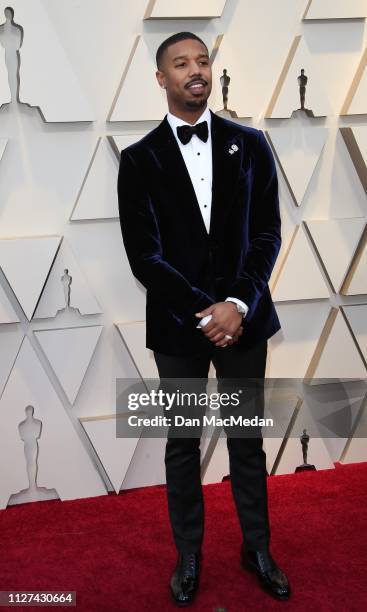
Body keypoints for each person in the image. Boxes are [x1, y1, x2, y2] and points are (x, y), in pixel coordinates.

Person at [117, 31, 291, 606]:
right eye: (180, 63)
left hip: (243, 322)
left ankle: (257, 548)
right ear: (161, 78)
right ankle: (189, 554)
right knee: (182, 442)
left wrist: (237, 305)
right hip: (179, 329)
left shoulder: (252, 143)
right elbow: (145, 256)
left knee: (247, 441)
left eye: (202, 60)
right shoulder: (139, 160)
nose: (195, 70)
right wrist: (205, 312)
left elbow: (267, 233)